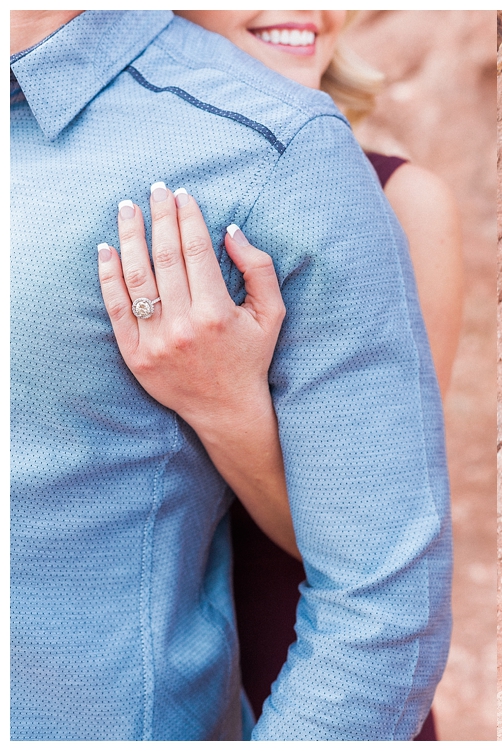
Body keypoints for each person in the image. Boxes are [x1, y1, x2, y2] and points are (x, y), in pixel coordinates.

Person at [11, 10, 450, 740]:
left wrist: (224, 404)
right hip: (196, 608)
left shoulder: (355, 184)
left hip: (281, 623)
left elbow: (386, 553)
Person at [151, 13, 462, 736]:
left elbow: (392, 540)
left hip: (312, 681)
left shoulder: (404, 203)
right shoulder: (108, 196)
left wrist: (227, 409)